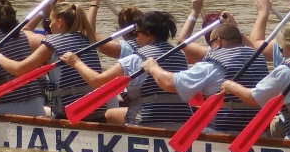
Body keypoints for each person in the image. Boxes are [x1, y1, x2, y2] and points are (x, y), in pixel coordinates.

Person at [60, 10, 193, 129]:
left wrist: (76, 63)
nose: (135, 37)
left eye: (137, 33)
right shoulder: (181, 56)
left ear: (148, 35)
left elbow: (97, 82)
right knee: (116, 112)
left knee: (108, 114)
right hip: (183, 119)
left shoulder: (135, 59)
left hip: (147, 119)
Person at [140, 21, 268, 134]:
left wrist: (153, 68)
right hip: (257, 131)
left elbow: (170, 84)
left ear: (218, 42)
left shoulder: (212, 65)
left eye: (210, 43)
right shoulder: (258, 59)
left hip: (224, 131)